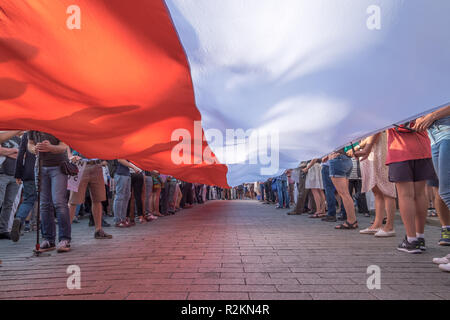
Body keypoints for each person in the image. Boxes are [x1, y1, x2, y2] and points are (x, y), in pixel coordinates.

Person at [386, 121, 437, 253]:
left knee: (405, 195)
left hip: (399, 148)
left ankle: (411, 239)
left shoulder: (387, 103)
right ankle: (420, 237)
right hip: (422, 148)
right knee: (420, 194)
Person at [28, 131, 71, 252]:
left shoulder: (57, 123)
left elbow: (64, 146)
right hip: (40, 166)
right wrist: (34, 148)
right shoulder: (32, 124)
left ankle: (65, 239)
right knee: (44, 205)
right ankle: (48, 239)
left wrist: (50, 147)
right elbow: (29, 144)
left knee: (59, 202)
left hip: (58, 166)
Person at [414, 104, 450, 247]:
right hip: (434, 139)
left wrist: (432, 116)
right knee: (442, 191)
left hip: (447, 134)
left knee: (446, 192)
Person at [354, 132, 397, 237]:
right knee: (377, 190)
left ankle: (389, 226)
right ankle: (377, 224)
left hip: (378, 150)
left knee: (387, 189)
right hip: (372, 150)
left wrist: (362, 147)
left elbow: (376, 130)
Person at [68, 151, 112, 239]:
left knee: (97, 199)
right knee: (73, 201)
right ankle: (65, 234)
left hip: (97, 165)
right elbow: (66, 143)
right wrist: (70, 156)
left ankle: (98, 230)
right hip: (80, 164)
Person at [326, 147, 358, 230]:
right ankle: (352, 220)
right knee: (346, 194)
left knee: (344, 194)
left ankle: (351, 221)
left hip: (337, 159)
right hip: (347, 159)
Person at [14, 132, 37, 237]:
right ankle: (46, 231)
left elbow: (20, 155)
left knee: (28, 200)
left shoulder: (27, 134)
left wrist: (18, 174)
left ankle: (19, 218)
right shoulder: (47, 130)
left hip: (29, 173)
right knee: (46, 201)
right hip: (45, 171)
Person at [0, 131, 21, 242]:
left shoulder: (18, 139)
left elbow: (22, 155)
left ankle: (3, 230)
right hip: (1, 173)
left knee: (9, 204)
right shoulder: (1, 136)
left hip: (14, 175)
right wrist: (13, 150)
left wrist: (6, 152)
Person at [113, 159, 142, 227]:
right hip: (120, 173)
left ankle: (123, 219)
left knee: (126, 197)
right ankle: (117, 220)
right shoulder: (119, 150)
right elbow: (120, 159)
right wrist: (133, 167)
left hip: (126, 174)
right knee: (120, 197)